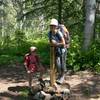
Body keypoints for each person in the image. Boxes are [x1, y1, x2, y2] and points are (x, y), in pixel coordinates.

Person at [48, 18, 66, 84]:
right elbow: (50, 42)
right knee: (57, 64)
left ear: (56, 26)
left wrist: (56, 44)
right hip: (55, 50)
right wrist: (52, 44)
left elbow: (63, 43)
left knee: (62, 64)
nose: (52, 27)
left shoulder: (59, 33)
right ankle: (59, 75)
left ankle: (62, 76)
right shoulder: (49, 33)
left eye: (53, 26)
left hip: (62, 50)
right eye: (51, 26)